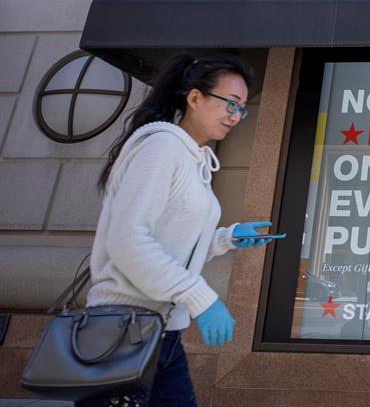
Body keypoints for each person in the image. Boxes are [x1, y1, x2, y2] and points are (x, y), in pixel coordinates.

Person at [78, 54, 274, 407]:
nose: (235, 115)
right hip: (122, 333)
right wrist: (202, 296)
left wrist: (226, 238)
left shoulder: (194, 158)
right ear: (195, 98)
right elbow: (127, 240)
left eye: (242, 108)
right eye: (230, 103)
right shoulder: (161, 147)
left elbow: (170, 239)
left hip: (162, 333)